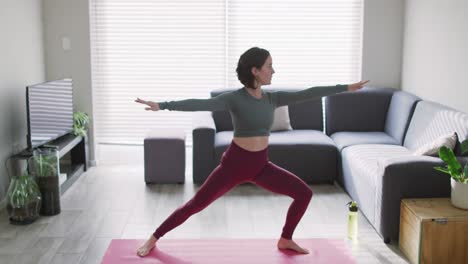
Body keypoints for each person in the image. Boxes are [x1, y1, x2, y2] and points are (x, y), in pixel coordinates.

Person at [134, 47, 369, 257]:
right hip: (233, 167)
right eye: (269, 66)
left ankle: (286, 239)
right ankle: (153, 238)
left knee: (303, 193)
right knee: (195, 205)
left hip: (260, 166)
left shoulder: (273, 98)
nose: (273, 71)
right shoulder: (234, 99)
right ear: (255, 71)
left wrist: (346, 88)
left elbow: (310, 92)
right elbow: (198, 104)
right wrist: (162, 105)